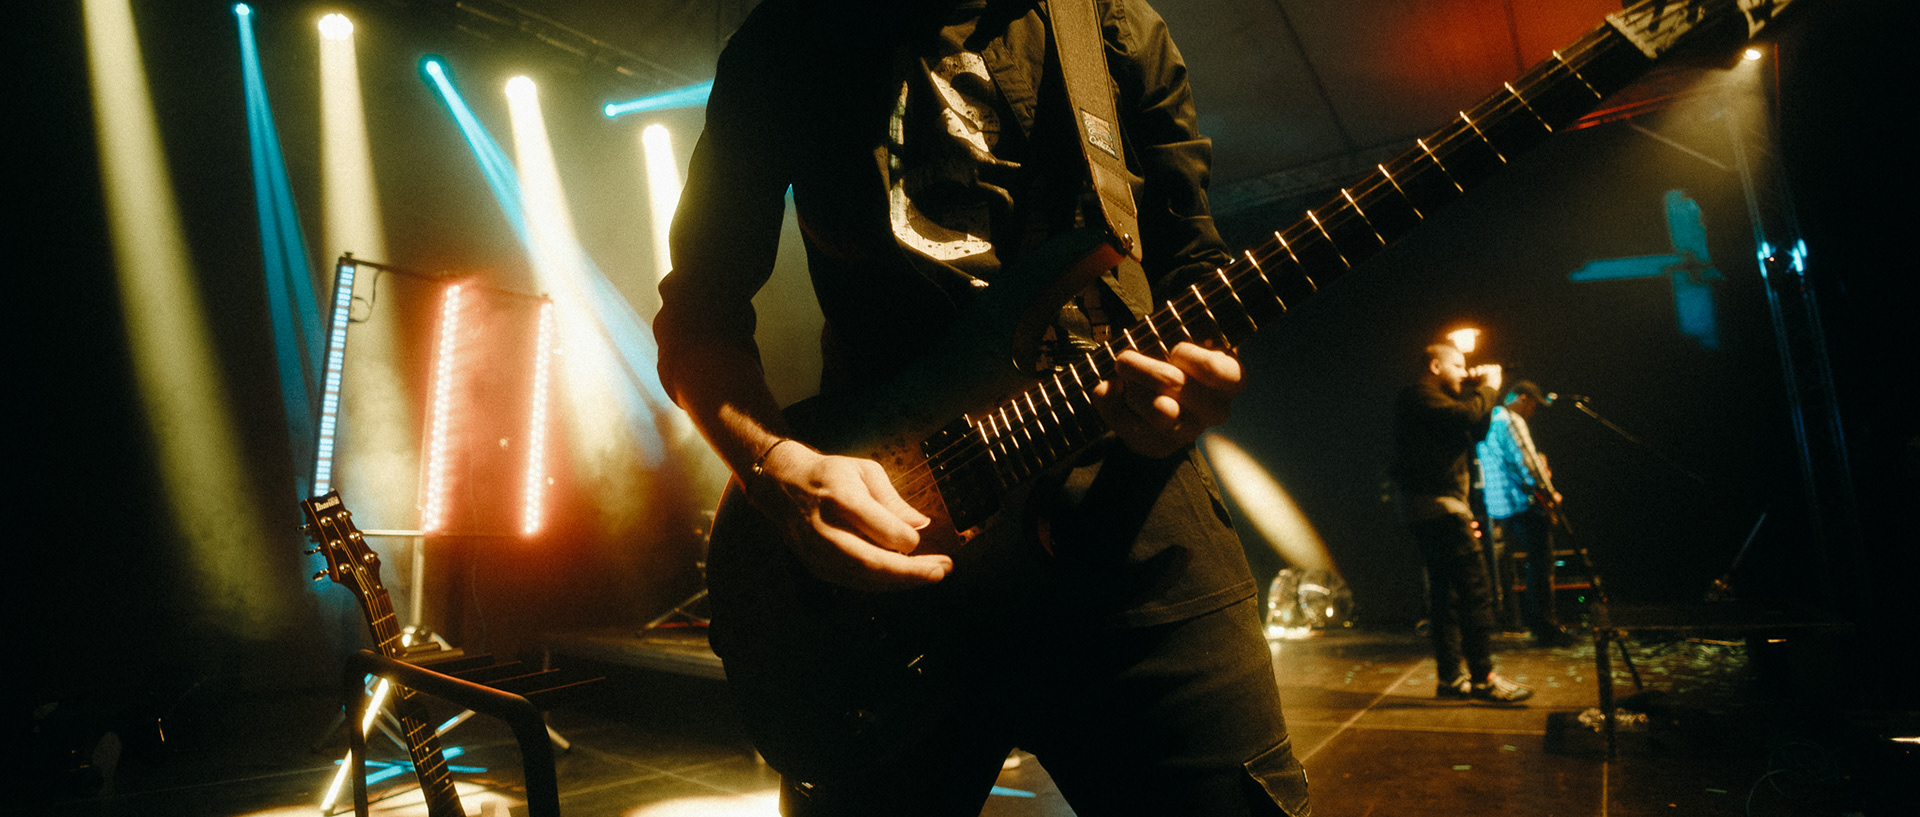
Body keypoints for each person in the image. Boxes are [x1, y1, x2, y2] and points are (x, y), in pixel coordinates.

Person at [652, 1, 1309, 815]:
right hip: (890, 542)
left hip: (1133, 519)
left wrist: (1200, 375)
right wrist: (775, 465)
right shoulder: (787, 40)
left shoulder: (1114, 23)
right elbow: (699, 312)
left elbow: (1192, 265)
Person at [1390, 343, 1534, 703]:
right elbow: (1464, 417)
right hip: (1441, 509)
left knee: (1447, 597)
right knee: (1475, 592)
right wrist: (1489, 387)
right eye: (1457, 365)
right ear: (1435, 366)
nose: (1463, 370)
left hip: (1436, 509)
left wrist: (1482, 393)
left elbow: (1475, 430)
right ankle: (1484, 678)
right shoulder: (1418, 395)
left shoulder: (1435, 404)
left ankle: (1451, 678)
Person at [1476, 381, 1573, 647]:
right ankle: (1545, 625)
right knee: (1541, 561)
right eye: (1532, 405)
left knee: (1502, 567)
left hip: (1497, 504)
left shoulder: (1488, 420)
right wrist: (1549, 492)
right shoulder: (1511, 420)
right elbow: (1526, 462)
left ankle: (1511, 619)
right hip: (1523, 502)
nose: (1532, 411)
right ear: (1521, 398)